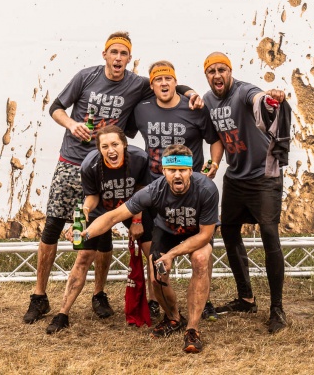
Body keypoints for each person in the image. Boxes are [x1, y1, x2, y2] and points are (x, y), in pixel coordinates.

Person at [23, 32, 202, 324]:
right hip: (73, 161)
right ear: (105, 54)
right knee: (54, 224)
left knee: (103, 231)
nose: (118, 58)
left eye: (123, 53)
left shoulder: (136, 84)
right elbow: (55, 107)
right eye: (114, 52)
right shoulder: (86, 76)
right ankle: (39, 296)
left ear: (129, 58)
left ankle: (99, 294)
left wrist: (191, 92)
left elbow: (165, 82)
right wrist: (72, 124)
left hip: (111, 165)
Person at [82, 144, 219, 354]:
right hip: (167, 231)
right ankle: (174, 318)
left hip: (196, 234)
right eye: (172, 170)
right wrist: (86, 233)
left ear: (191, 171)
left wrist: (172, 254)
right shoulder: (154, 190)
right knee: (157, 277)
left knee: (200, 259)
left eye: (182, 170)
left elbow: (205, 235)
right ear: (164, 171)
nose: (177, 175)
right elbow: (113, 216)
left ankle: (192, 329)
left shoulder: (207, 189)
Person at [127, 60, 224, 320]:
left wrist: (214, 163)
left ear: (175, 81)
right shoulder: (141, 109)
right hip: (156, 190)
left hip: (190, 190)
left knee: (201, 252)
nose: (164, 83)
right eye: (158, 80)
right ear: (151, 85)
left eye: (168, 79)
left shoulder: (194, 108)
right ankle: (157, 300)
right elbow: (122, 133)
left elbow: (214, 140)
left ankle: (205, 301)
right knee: (153, 251)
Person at [202, 51, 291, 334]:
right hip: (235, 177)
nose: (217, 75)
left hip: (264, 176)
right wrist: (215, 163)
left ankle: (277, 308)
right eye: (212, 71)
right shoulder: (208, 100)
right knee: (228, 230)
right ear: (207, 76)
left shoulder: (243, 92)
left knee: (269, 235)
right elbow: (217, 137)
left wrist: (270, 96)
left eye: (222, 70)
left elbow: (258, 98)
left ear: (230, 72)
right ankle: (246, 299)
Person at [45, 125, 152, 334]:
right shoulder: (89, 165)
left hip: (132, 206)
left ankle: (159, 306)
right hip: (101, 210)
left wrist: (137, 220)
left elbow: (141, 190)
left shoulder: (139, 158)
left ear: (124, 144)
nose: (111, 150)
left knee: (153, 254)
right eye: (105, 146)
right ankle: (62, 314)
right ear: (99, 149)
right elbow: (92, 196)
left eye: (115, 144)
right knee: (83, 257)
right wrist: (85, 210)